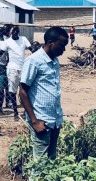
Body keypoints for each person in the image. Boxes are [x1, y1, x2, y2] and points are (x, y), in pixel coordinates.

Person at [19, 26, 69, 160]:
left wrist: (58, 118)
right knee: (40, 163)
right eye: (62, 45)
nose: (64, 50)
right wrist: (35, 122)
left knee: (51, 158)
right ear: (50, 43)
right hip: (41, 120)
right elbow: (23, 91)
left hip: (55, 120)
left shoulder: (54, 60)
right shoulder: (34, 61)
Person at [4, 26, 31, 120]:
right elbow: (1, 52)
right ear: (11, 32)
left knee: (24, 90)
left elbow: (31, 48)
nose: (15, 33)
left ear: (18, 32)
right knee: (12, 91)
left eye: (17, 31)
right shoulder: (7, 41)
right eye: (13, 31)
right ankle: (15, 113)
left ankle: (25, 111)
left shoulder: (23, 39)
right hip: (12, 69)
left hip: (23, 68)